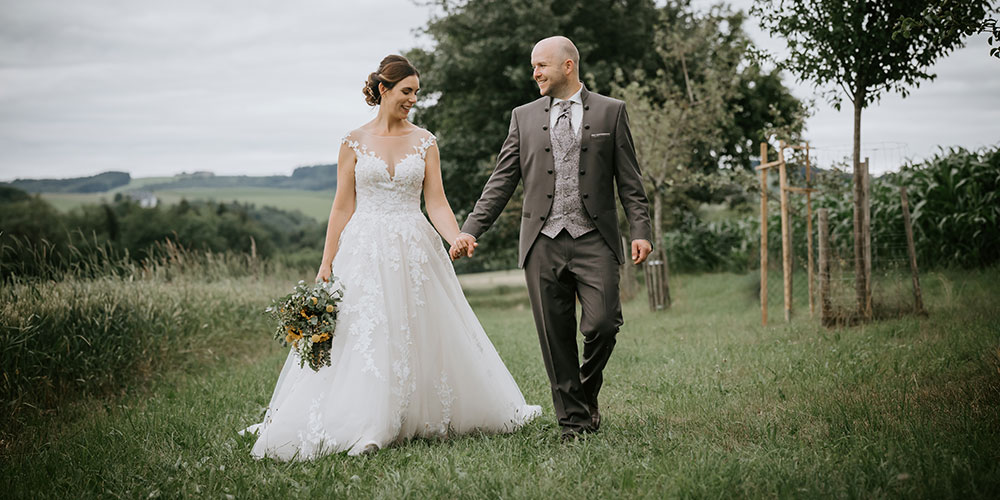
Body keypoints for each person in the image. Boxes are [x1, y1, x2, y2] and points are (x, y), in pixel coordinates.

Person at [241, 55, 540, 460]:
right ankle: (367, 421)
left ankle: (420, 409)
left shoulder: (425, 141)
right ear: (383, 89)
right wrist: (327, 261)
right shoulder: (352, 142)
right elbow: (341, 208)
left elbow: (435, 202)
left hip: (414, 246)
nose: (413, 99)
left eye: (416, 93)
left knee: (418, 327)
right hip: (363, 247)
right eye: (406, 91)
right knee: (366, 331)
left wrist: (456, 237)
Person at [451, 36, 652, 441]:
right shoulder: (523, 117)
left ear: (568, 66)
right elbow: (502, 180)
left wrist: (641, 230)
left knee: (603, 325)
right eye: (533, 67)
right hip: (541, 240)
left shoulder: (612, 112)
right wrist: (471, 228)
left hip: (595, 238)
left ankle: (582, 392)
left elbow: (630, 180)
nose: (535, 73)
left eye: (541, 65)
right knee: (554, 336)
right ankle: (573, 423)